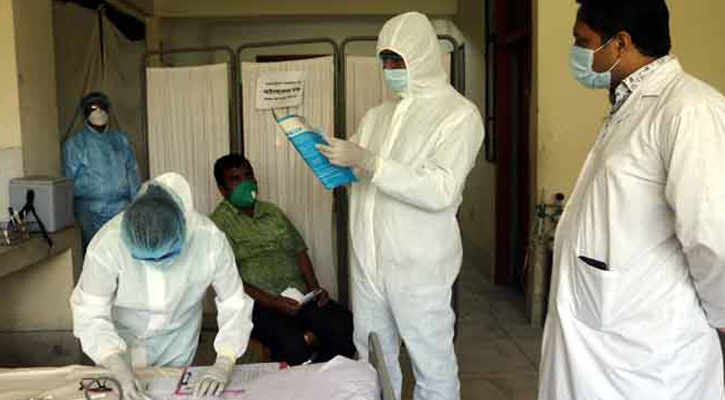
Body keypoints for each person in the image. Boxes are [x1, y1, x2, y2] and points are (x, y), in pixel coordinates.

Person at [538, 0, 725, 398]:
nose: (576, 52)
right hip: (608, 328)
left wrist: (721, 314)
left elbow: (711, 234)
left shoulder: (690, 109)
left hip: (648, 348)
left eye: (582, 41)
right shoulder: (631, 103)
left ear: (620, 43)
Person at [317, 12, 484, 400]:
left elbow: (441, 189)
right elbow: (354, 172)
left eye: (398, 60)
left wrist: (371, 162)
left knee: (431, 361)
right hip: (368, 261)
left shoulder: (458, 115)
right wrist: (323, 155)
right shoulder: (378, 115)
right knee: (372, 356)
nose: (390, 70)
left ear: (423, 57)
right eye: (385, 60)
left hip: (418, 267)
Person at [70, 172, 254, 400]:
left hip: (177, 344)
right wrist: (116, 364)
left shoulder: (210, 241)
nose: (156, 263)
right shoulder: (107, 244)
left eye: (165, 256)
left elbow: (234, 303)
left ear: (183, 229)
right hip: (119, 344)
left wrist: (225, 361)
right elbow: (90, 312)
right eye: (145, 259)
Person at [210, 154, 355, 366]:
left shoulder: (273, 213)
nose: (245, 183)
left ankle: (322, 376)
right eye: (235, 179)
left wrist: (315, 290)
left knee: (344, 324)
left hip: (299, 298)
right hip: (257, 306)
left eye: (248, 175)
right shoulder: (217, 226)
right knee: (293, 345)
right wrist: (274, 302)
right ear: (222, 189)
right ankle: (303, 366)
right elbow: (229, 280)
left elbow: (299, 251)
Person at [63, 91, 141, 250]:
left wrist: (137, 205)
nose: (98, 112)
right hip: (91, 213)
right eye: (93, 109)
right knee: (98, 253)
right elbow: (68, 183)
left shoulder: (120, 140)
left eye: (102, 107)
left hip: (122, 210)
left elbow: (133, 174)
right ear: (85, 114)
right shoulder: (76, 144)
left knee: (123, 252)